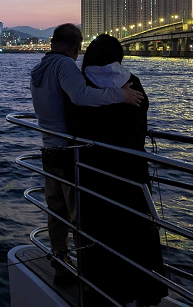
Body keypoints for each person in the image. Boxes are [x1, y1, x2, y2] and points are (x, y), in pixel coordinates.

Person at [29, 24, 144, 278]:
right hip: (68, 151)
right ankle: (87, 271)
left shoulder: (40, 67)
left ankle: (60, 263)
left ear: (52, 42)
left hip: (48, 149)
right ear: (76, 46)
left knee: (55, 211)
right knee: (78, 214)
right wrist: (121, 95)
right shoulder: (64, 65)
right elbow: (81, 96)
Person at [74, 34, 168, 306]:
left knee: (101, 231)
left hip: (96, 170)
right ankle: (145, 292)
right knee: (139, 230)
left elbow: (77, 120)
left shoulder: (84, 84)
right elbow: (142, 109)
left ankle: (106, 291)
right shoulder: (132, 81)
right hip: (133, 168)